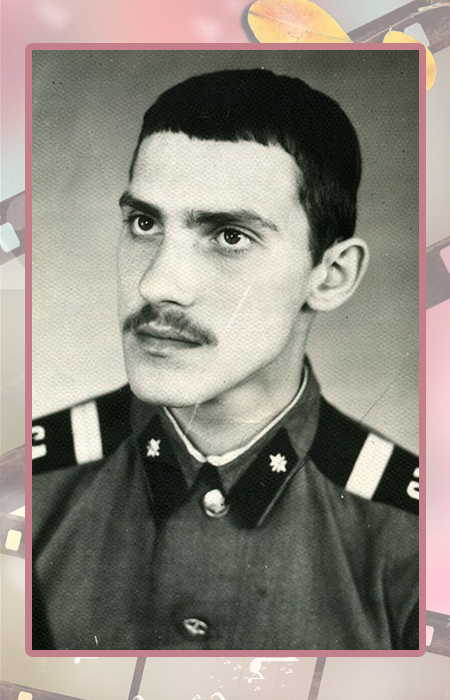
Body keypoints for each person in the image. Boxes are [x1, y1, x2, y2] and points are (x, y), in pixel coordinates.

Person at [32, 68, 419, 651]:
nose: (157, 284)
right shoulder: (26, 491)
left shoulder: (416, 537)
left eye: (229, 236)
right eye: (144, 223)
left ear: (330, 276)